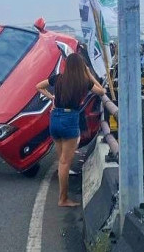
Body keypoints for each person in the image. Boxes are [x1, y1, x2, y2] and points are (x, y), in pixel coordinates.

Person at [36, 53, 106, 207]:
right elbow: (101, 92)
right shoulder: (84, 82)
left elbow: (38, 86)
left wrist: (51, 97)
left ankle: (62, 185)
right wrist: (89, 74)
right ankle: (63, 199)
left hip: (54, 118)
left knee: (61, 158)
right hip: (70, 120)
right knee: (65, 162)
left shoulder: (58, 78)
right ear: (81, 67)